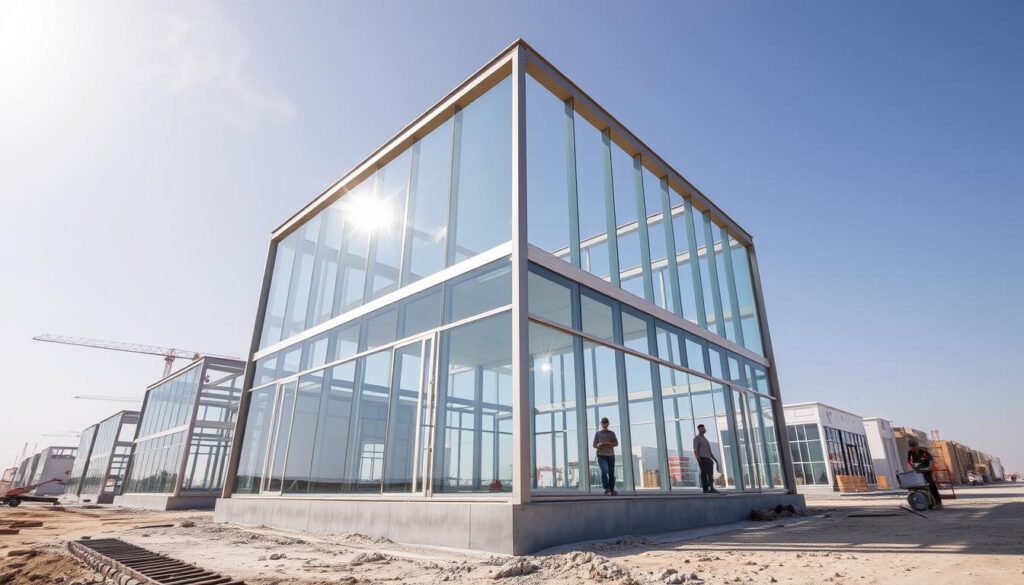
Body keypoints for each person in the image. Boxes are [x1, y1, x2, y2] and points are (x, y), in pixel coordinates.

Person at [907, 439, 943, 509]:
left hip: (926, 471)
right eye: (911, 446)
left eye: (913, 446)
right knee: (918, 487)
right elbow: (909, 461)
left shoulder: (923, 452)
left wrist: (929, 467)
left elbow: (931, 459)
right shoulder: (910, 452)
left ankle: (938, 502)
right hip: (918, 471)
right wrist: (914, 468)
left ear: (917, 445)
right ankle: (923, 501)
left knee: (931, 485)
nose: (912, 448)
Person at [693, 424, 723, 494]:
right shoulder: (697, 438)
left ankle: (711, 488)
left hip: (708, 458)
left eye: (704, 428)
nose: (704, 429)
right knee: (704, 474)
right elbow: (695, 450)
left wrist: (713, 459)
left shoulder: (704, 439)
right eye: (703, 428)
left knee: (710, 473)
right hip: (702, 459)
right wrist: (699, 459)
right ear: (700, 429)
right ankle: (706, 489)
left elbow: (709, 450)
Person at [593, 417, 619, 495]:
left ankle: (612, 490)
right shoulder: (598, 433)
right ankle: (606, 488)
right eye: (603, 422)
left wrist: (608, 444)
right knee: (605, 470)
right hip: (601, 455)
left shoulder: (612, 433)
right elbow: (594, 444)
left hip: (611, 455)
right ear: (601, 424)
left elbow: (616, 443)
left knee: (611, 473)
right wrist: (598, 444)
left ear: (608, 423)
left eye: (606, 422)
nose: (604, 424)